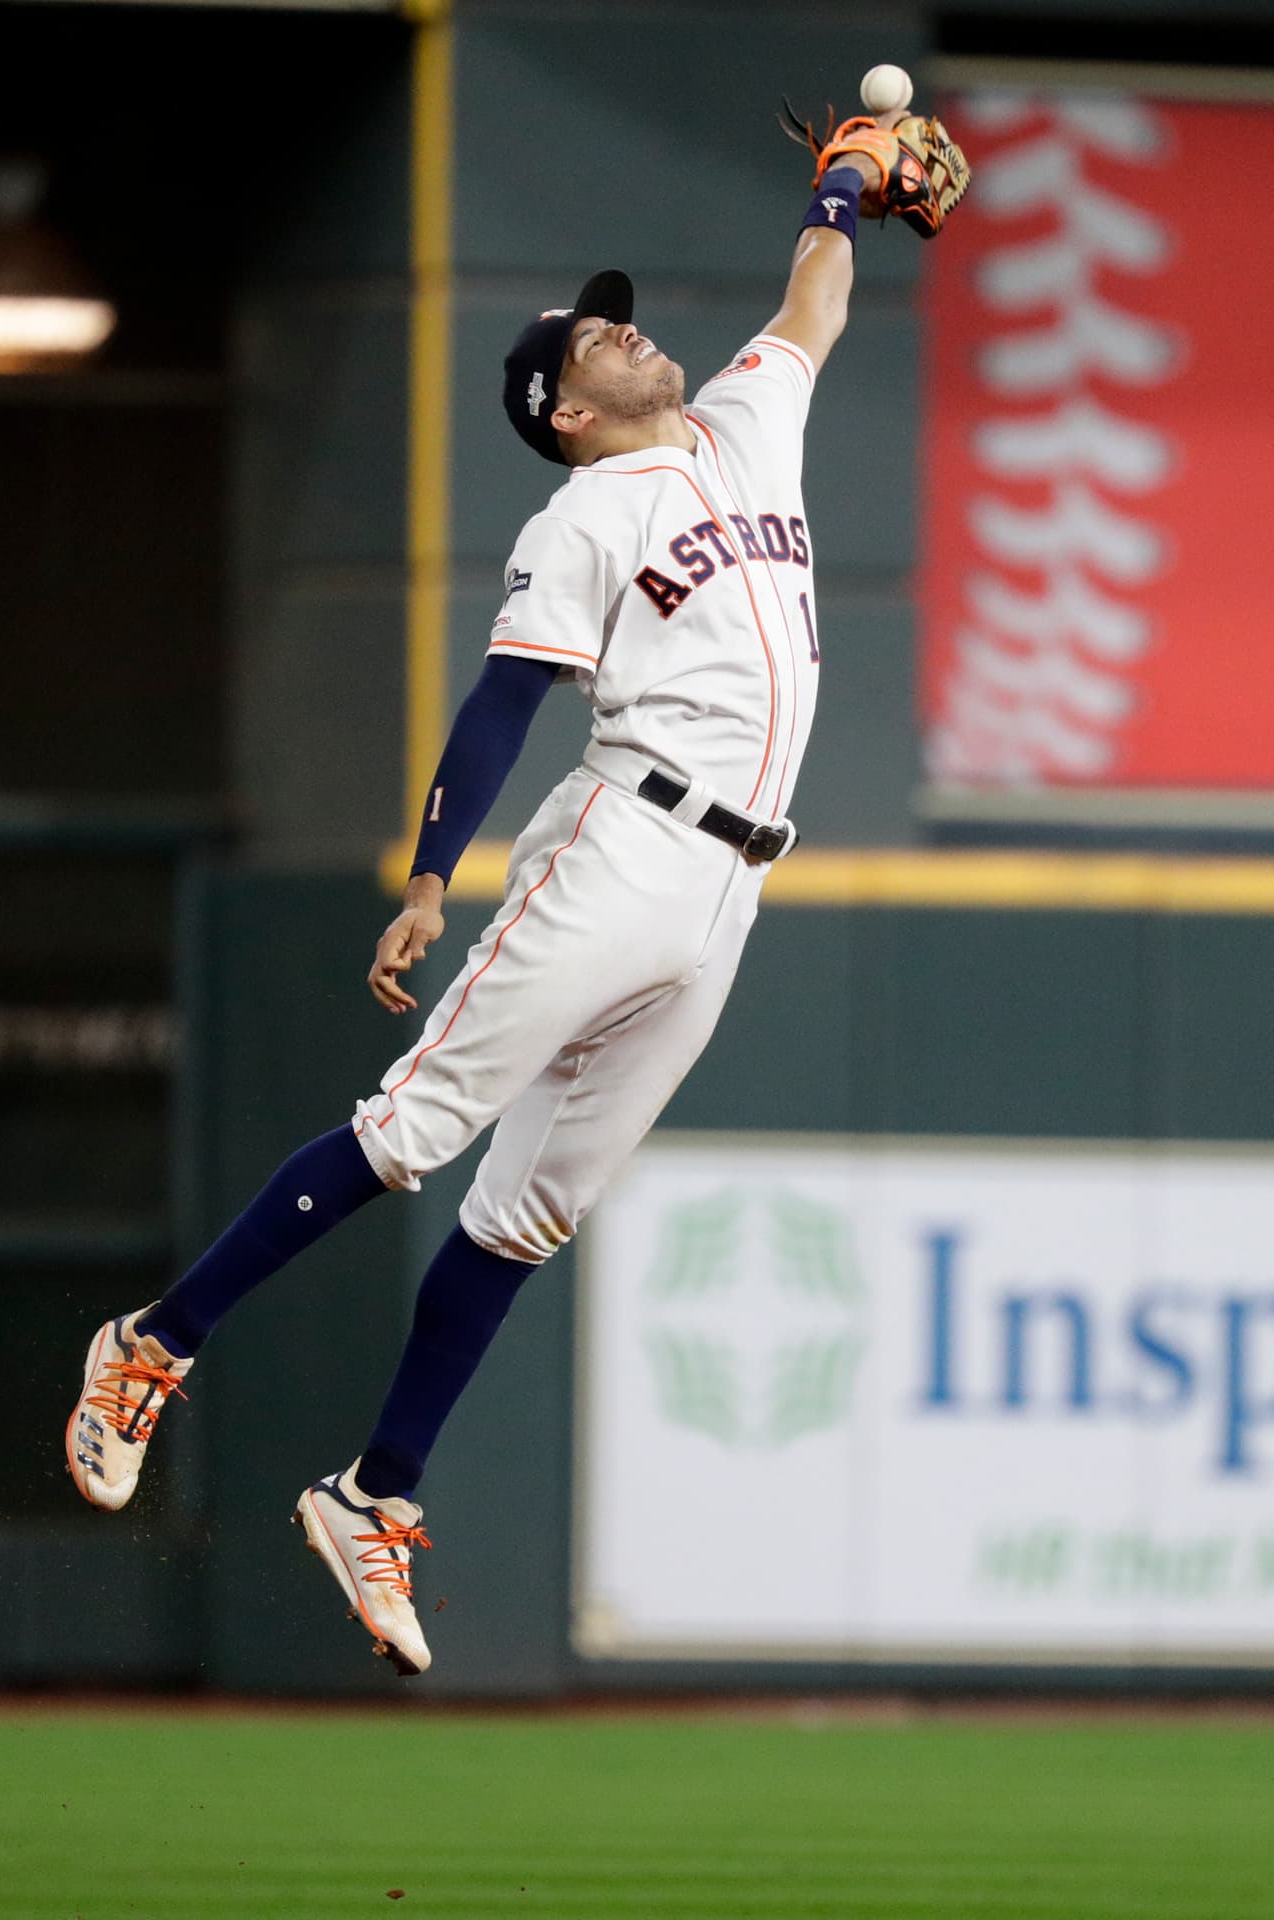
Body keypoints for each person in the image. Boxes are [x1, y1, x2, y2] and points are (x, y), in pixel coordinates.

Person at [65, 106, 921, 1677]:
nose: (625, 329)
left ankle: (373, 1493)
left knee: (533, 1211)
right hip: (625, 840)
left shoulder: (742, 424)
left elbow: (814, 303)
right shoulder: (582, 514)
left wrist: (843, 188)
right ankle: (150, 1345)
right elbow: (508, 700)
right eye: (592, 336)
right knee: (413, 1136)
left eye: (617, 318)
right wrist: (425, 879)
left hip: (733, 888)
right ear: (564, 410)